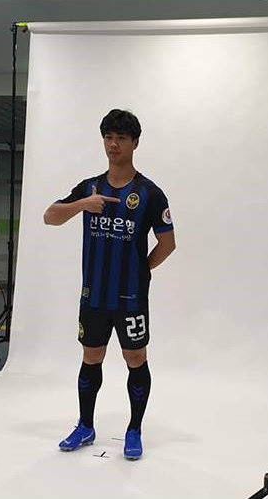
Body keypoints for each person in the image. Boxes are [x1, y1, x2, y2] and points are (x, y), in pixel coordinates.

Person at [43, 109, 176, 459]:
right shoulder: (89, 188)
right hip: (94, 296)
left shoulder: (150, 193)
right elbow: (49, 217)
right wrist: (82, 205)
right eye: (108, 137)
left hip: (131, 297)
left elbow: (168, 243)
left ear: (135, 143)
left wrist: (141, 270)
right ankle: (85, 426)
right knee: (91, 356)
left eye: (121, 138)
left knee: (136, 357)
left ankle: (134, 430)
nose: (113, 144)